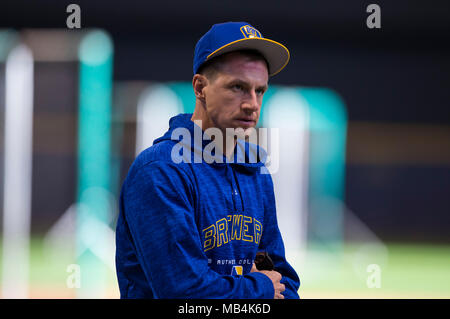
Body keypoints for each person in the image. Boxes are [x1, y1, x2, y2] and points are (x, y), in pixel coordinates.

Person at [115, 21, 300, 299]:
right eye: (237, 87)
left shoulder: (256, 170)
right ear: (200, 87)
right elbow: (184, 293)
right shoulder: (160, 171)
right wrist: (259, 288)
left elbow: (284, 282)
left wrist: (257, 286)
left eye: (260, 90)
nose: (252, 103)